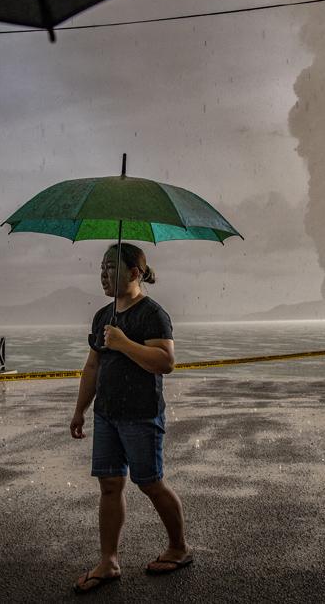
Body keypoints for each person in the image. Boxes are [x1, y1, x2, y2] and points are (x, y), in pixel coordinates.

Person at [70, 243, 192, 594]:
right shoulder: (102, 316)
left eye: (111, 267)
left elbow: (165, 362)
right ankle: (108, 561)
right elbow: (93, 365)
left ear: (136, 272)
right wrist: (80, 408)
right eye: (101, 267)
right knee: (109, 485)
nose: (103, 274)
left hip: (141, 415)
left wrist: (124, 343)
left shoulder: (152, 314)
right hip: (106, 414)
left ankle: (179, 547)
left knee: (150, 482)